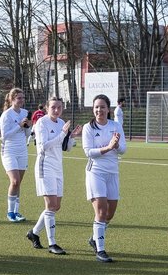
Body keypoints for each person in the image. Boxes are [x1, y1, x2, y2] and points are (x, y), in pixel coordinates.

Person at [26, 97, 74, 256]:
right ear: (47, 108)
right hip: (44, 166)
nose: (56, 110)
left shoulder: (61, 123)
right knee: (51, 205)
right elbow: (43, 147)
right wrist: (62, 134)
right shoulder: (41, 123)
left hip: (58, 167)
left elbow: (66, 148)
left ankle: (33, 232)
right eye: (53, 107)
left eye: (59, 107)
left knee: (55, 206)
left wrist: (72, 137)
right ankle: (52, 243)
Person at [82, 94, 125, 263]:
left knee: (110, 213)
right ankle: (100, 250)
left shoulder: (115, 125)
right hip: (96, 172)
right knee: (100, 211)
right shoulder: (89, 128)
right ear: (93, 110)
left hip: (112, 172)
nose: (99, 110)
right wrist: (108, 147)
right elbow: (89, 152)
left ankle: (95, 237)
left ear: (108, 109)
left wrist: (117, 145)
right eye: (96, 107)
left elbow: (123, 150)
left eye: (102, 107)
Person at [0, 87, 32, 222]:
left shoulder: (25, 112)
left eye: (23, 98)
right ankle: (10, 212)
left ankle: (16, 212)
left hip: (22, 150)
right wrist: (19, 125)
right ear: (12, 99)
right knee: (15, 181)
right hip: (9, 151)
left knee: (19, 183)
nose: (22, 100)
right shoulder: (6, 115)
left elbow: (27, 134)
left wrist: (28, 126)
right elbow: (4, 136)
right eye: (19, 98)